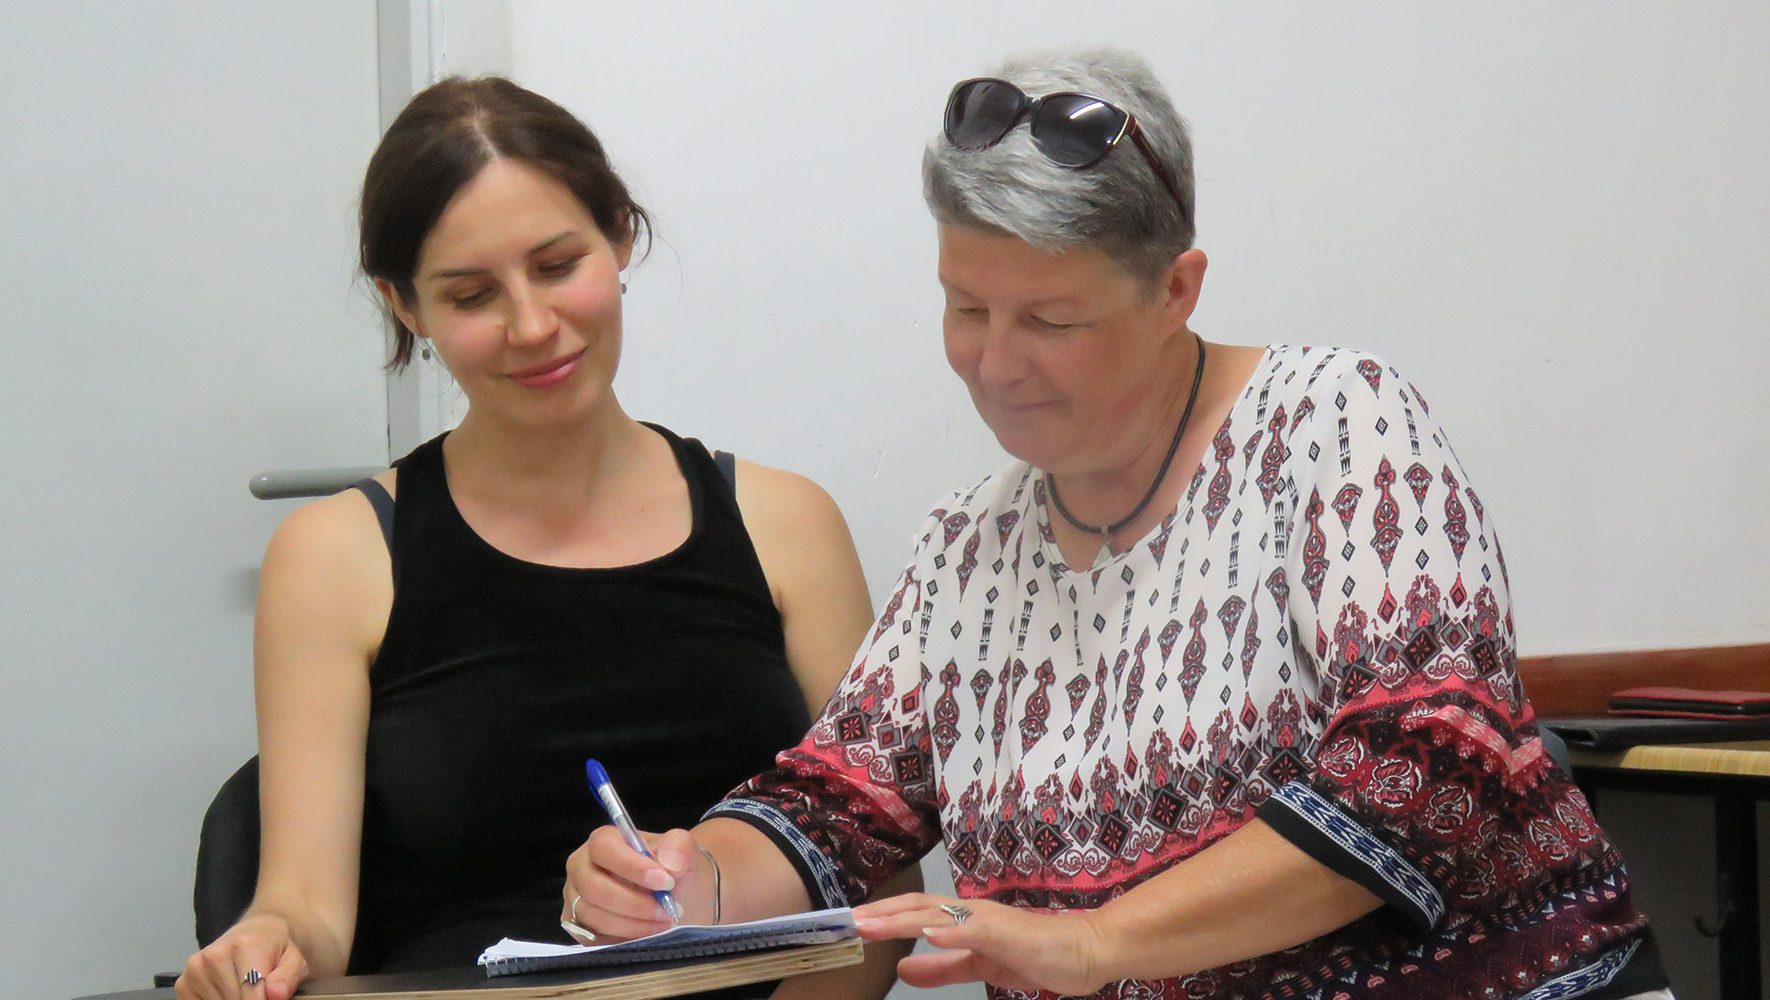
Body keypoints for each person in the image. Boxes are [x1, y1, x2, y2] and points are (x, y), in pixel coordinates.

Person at [564, 48, 1672, 1000]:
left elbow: (1427, 765)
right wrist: (684, 880)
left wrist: (1099, 943)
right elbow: (837, 798)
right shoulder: (970, 548)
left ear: (1177, 288)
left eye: (1050, 318)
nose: (995, 364)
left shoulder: (1334, 425)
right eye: (966, 307)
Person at [175, 77, 913, 1000]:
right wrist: (266, 945)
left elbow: (878, 904)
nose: (532, 326)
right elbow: (306, 910)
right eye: (473, 294)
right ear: (406, 306)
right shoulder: (338, 555)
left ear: (620, 234)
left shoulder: (786, 525)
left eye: (559, 265)